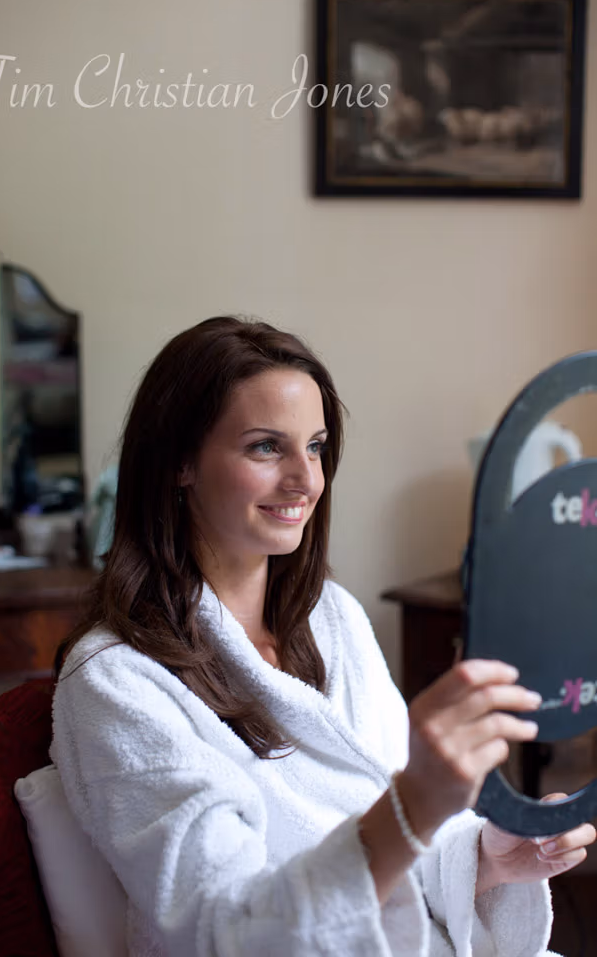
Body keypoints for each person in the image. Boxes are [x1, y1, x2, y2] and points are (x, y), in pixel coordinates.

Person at [51, 315, 594, 956]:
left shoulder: (331, 618)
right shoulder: (116, 681)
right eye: (265, 447)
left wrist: (486, 857)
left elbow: (393, 834)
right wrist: (416, 803)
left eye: (314, 447)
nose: (307, 480)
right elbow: (228, 934)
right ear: (180, 463)